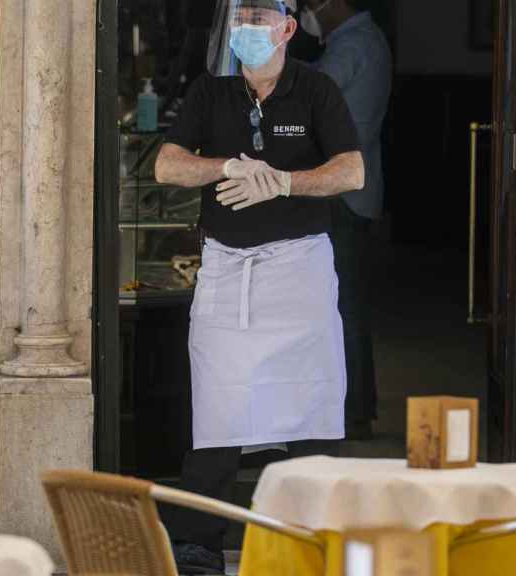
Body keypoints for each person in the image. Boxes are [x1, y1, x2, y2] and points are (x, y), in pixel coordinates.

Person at [153, 0, 364, 573]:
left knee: (311, 404)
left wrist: (283, 183)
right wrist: (229, 168)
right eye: (241, 18)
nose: (248, 29)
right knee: (218, 406)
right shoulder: (209, 93)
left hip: (299, 271)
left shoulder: (317, 90)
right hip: (227, 269)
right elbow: (168, 166)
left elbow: (351, 171)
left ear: (288, 28)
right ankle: (198, 543)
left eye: (260, 18)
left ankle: (316, 537)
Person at [299, 0, 392, 439]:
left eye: (308, 4)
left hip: (343, 192)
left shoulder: (353, 44)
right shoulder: (355, 42)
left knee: (345, 308)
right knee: (344, 304)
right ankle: (352, 409)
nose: (304, 12)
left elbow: (312, 93)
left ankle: (354, 413)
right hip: (352, 189)